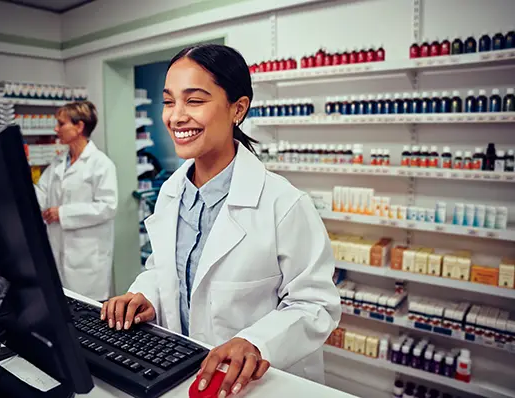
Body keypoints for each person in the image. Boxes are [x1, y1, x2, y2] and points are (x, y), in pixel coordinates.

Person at [101, 44, 340, 396]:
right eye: (169, 101)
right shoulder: (170, 193)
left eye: (194, 101)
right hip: (181, 373)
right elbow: (164, 268)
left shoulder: (283, 203)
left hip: (255, 385)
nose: (176, 116)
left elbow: (316, 304)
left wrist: (257, 342)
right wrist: (144, 292)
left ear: (237, 109)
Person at [35, 101, 118, 301]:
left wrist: (62, 213)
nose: (56, 129)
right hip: (58, 254)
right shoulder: (57, 164)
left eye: (61, 124)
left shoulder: (101, 164)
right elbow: (41, 194)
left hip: (88, 261)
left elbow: (107, 207)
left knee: (89, 316)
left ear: (79, 126)